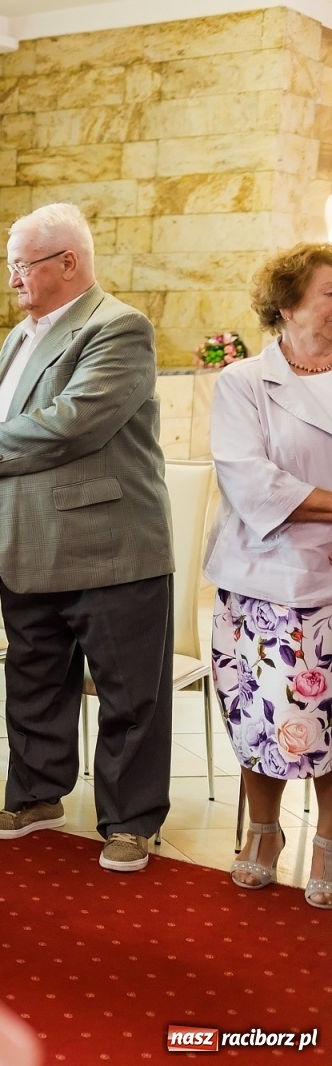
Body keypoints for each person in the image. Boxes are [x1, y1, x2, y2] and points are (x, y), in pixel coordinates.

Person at [0, 202, 174, 873]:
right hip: (26, 538)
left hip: (107, 544)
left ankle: (130, 821)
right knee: (35, 677)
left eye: (22, 265)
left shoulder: (117, 327)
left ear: (67, 263)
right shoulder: (20, 336)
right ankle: (37, 795)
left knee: (129, 693)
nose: (12, 278)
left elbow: (74, 422)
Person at [205, 243, 332, 908]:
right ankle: (263, 833)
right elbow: (252, 481)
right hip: (263, 576)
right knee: (263, 716)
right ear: (287, 305)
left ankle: (329, 844)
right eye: (330, 294)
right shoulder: (244, 383)